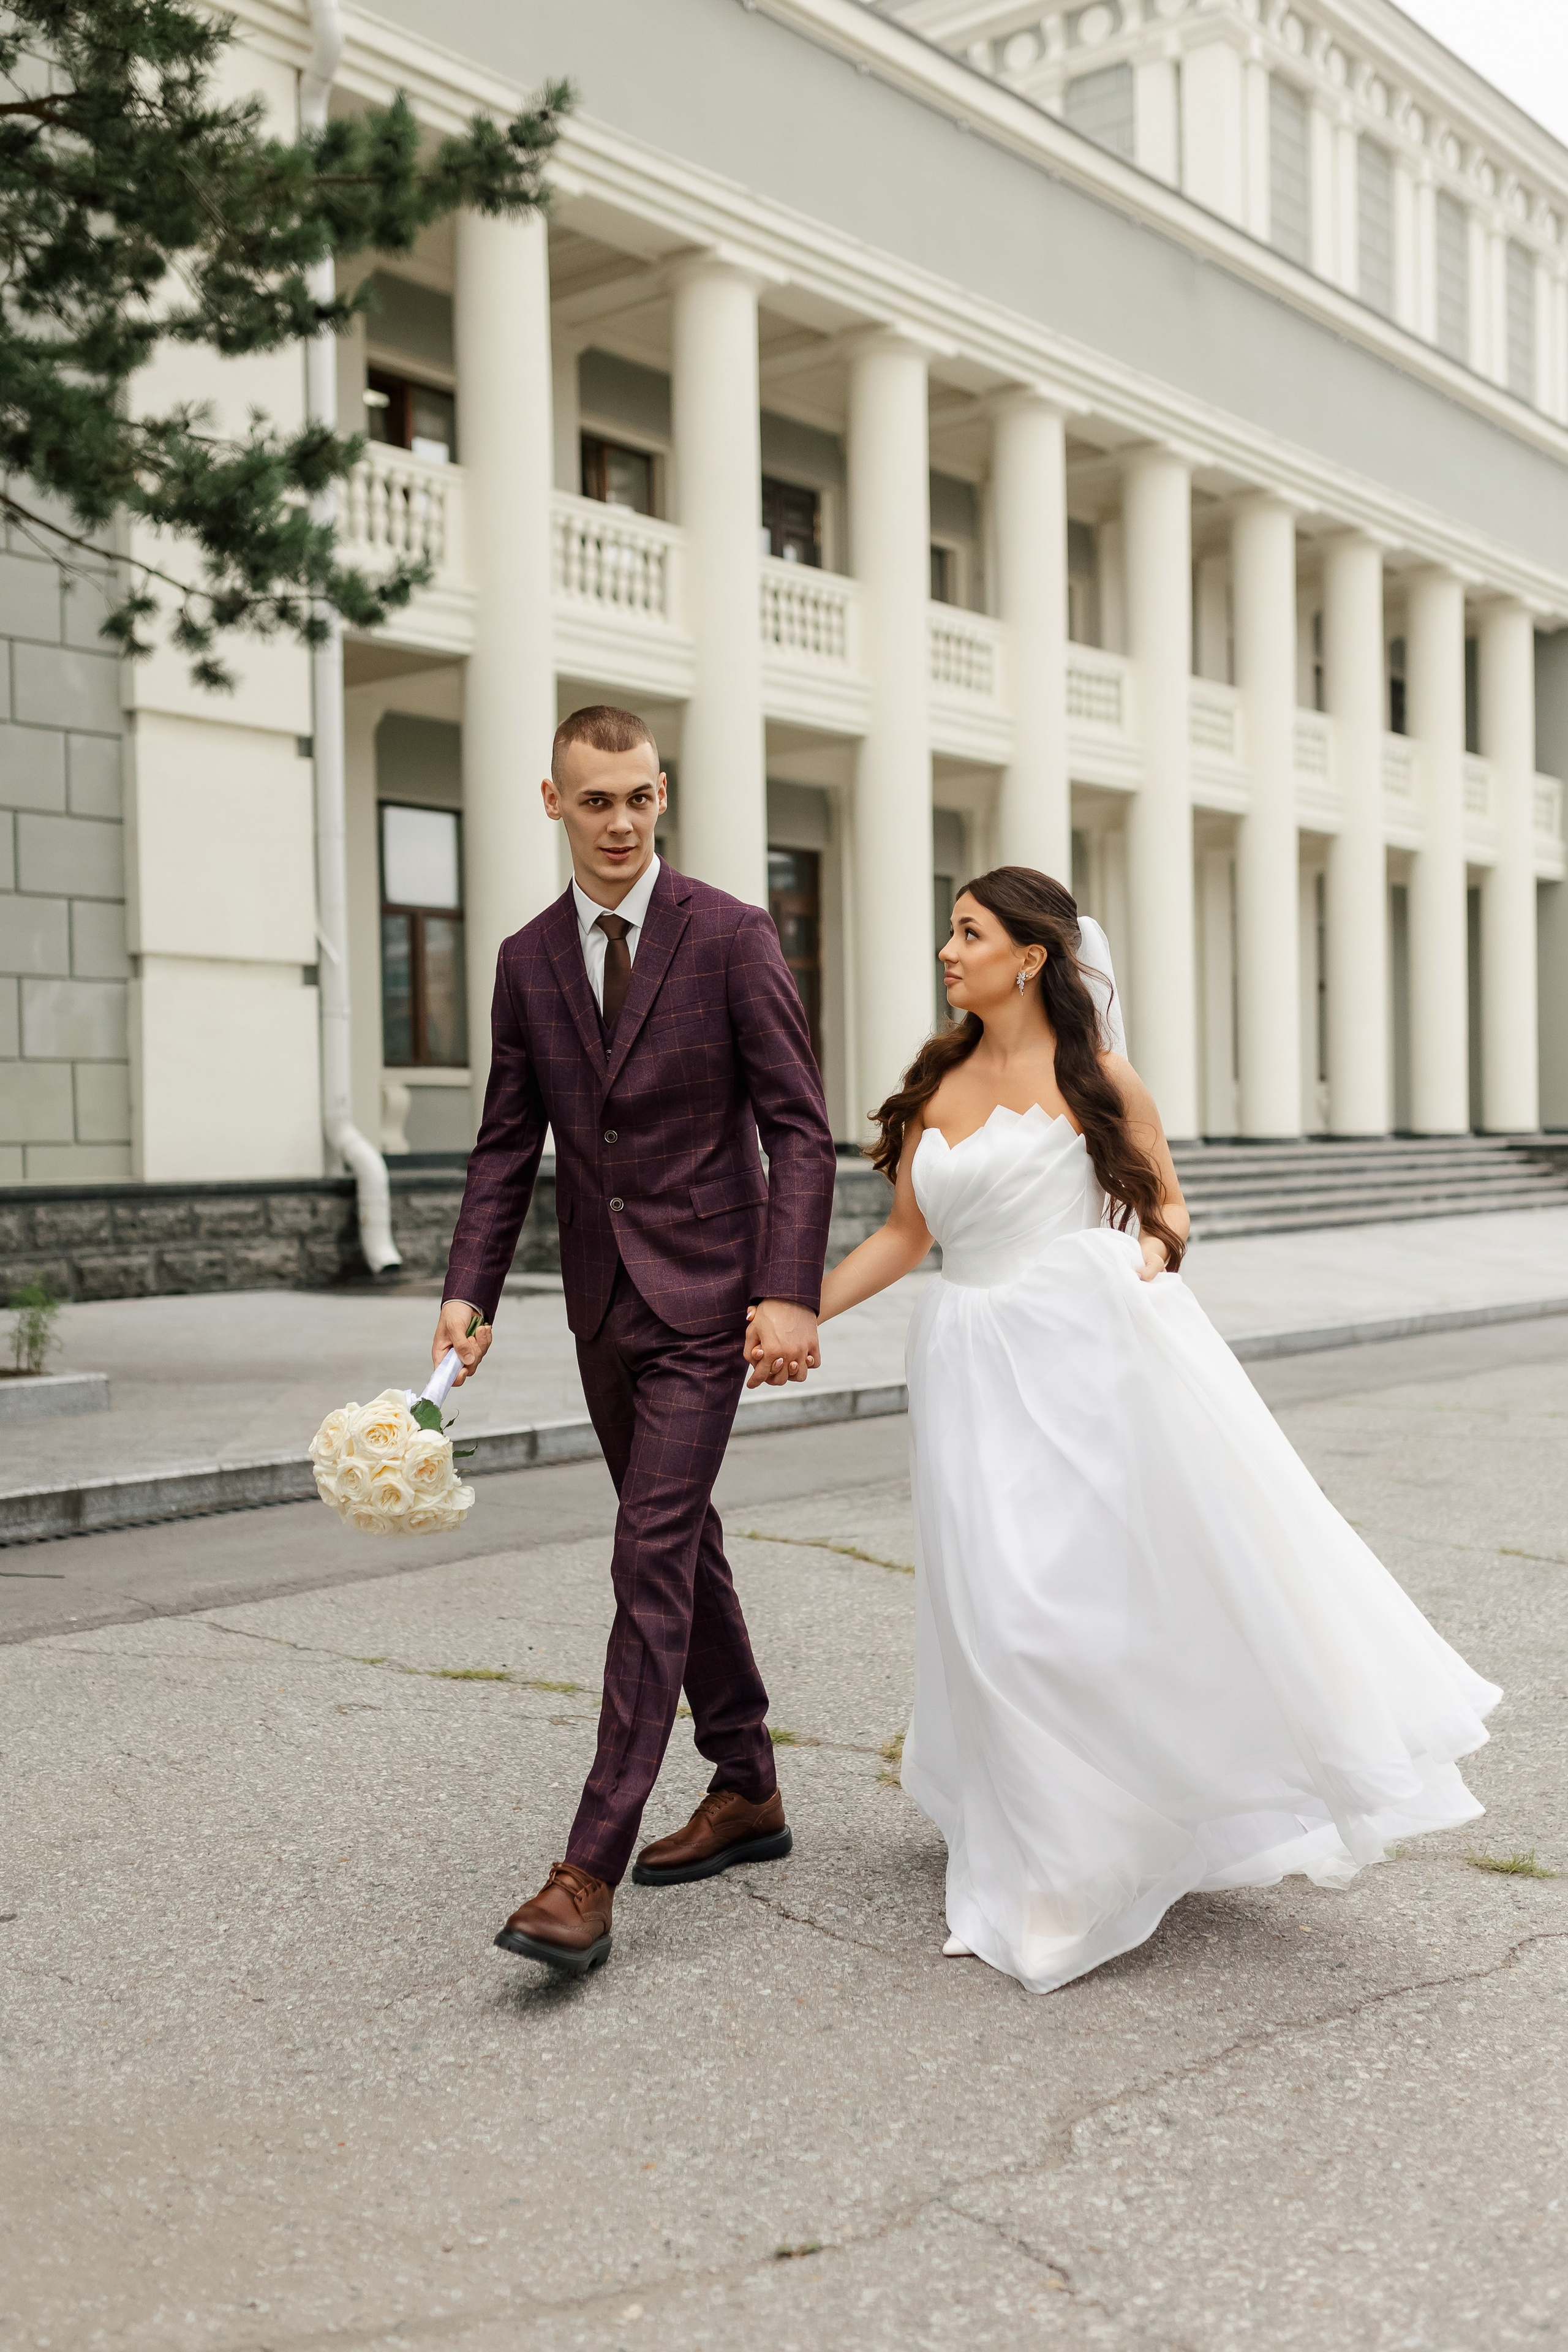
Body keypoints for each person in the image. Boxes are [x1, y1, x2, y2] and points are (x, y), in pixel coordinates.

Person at [818, 865, 1499, 1995]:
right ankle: (1038, 1842)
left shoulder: (1101, 1080)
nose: (948, 950)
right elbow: (905, 1233)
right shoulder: (936, 1078)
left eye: (969, 931)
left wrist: (1148, 1249)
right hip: (967, 1363)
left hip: (1083, 1361)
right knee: (987, 1607)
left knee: (1056, 1613)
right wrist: (798, 1313)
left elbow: (1170, 1206)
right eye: (950, 931)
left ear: (1029, 956)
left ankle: (1074, 1863)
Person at [434, 705, 837, 1977]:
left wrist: (789, 1289)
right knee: (682, 1541)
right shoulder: (524, 958)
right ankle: (748, 1783)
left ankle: (583, 1869)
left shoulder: (728, 933)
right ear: (550, 802)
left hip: (714, 1299)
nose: (619, 824)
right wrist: (468, 1288)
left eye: (640, 801)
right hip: (603, 1306)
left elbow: (800, 1126)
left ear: (663, 799)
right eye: (595, 801)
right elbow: (508, 1141)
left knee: (647, 1551)